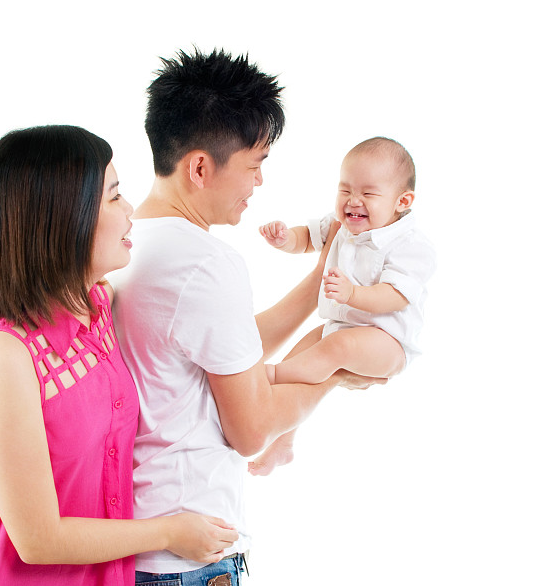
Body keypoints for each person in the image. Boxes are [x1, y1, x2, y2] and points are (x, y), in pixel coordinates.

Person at [110, 49, 383, 586]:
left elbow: (221, 347)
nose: (259, 182)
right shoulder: (207, 263)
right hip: (188, 562)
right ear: (200, 167)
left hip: (142, 546)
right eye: (254, 165)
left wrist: (318, 282)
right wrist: (335, 372)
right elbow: (252, 430)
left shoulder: (129, 242)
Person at [0, 125, 238, 586]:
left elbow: (222, 347)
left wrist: (322, 326)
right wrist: (168, 532)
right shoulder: (1, 356)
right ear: (63, 219)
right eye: (114, 196)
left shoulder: (98, 307)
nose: (130, 209)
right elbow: (38, 539)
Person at [251, 136, 437, 475]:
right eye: (345, 189)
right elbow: (308, 238)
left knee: (333, 349)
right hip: (341, 328)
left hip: (388, 341)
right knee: (302, 356)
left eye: (368, 193)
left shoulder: (410, 245)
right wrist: (286, 239)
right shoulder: (342, 227)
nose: (353, 201)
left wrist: (352, 294)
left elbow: (394, 296)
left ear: (402, 201)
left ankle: (271, 374)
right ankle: (282, 444)